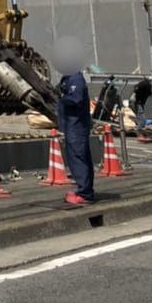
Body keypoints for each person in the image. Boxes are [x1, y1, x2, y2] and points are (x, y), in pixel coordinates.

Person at [52, 37, 95, 205]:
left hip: (76, 125)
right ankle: (84, 190)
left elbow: (75, 99)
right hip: (73, 125)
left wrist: (61, 99)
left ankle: (84, 193)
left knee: (78, 158)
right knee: (78, 158)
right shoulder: (68, 77)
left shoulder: (75, 78)